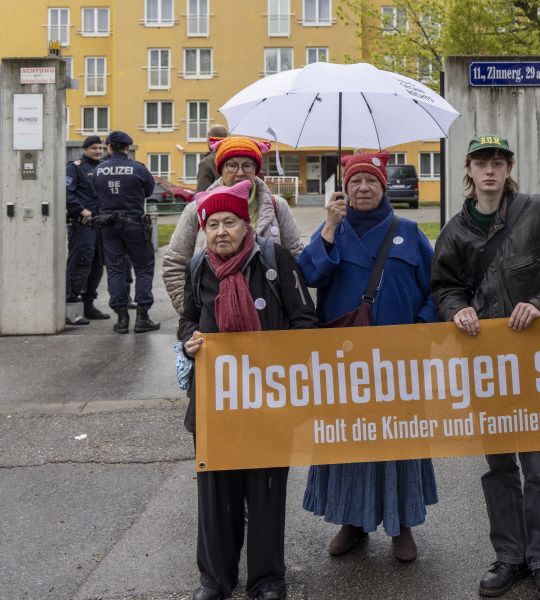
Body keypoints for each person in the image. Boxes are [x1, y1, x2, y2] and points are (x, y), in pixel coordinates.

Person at [430, 134, 540, 599]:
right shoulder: (456, 230)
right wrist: (456, 308)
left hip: (537, 365)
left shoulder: (539, 211)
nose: (490, 171)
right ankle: (509, 555)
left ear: (508, 168)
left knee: (538, 467)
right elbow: (443, 286)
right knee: (499, 466)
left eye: (499, 163)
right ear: (469, 170)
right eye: (482, 162)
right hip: (487, 368)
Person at [179, 179, 317, 600]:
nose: (221, 231)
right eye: (213, 224)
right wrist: (190, 339)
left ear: (246, 225)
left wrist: (278, 357)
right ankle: (215, 580)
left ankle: (267, 580)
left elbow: (304, 322)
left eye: (230, 223)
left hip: (267, 402)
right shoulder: (198, 267)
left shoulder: (275, 261)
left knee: (266, 494)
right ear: (204, 230)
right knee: (217, 495)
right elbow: (187, 318)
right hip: (215, 404)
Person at [299, 151, 438, 563]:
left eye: (371, 182)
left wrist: (419, 330)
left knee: (398, 442)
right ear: (345, 187)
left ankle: (402, 524)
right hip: (346, 365)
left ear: (383, 188)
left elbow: (439, 288)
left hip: (399, 364)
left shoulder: (409, 232)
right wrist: (327, 227)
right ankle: (352, 522)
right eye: (356, 181)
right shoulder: (332, 232)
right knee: (350, 442)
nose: (363, 188)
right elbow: (308, 276)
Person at [163, 136, 304, 315]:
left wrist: (286, 310)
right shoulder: (197, 209)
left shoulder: (277, 207)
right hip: (214, 316)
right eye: (232, 165)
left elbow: (295, 258)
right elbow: (174, 263)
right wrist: (193, 312)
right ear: (221, 169)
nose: (240, 172)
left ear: (256, 170)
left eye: (247, 165)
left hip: (269, 317)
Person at [93, 130, 160, 334]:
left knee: (115, 269)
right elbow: (149, 191)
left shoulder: (99, 170)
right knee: (143, 268)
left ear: (109, 147)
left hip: (108, 226)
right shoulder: (138, 169)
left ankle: (121, 319)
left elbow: (95, 191)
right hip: (135, 224)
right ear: (127, 148)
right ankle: (142, 317)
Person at [65, 135, 111, 324]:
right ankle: (69, 306)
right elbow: (66, 192)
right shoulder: (75, 167)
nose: (98, 151)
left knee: (97, 266)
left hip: (100, 224)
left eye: (100, 148)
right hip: (82, 224)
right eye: (94, 148)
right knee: (80, 264)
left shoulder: (103, 168)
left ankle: (88, 304)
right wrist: (81, 210)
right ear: (85, 149)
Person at [196, 124, 229, 192]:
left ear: (210, 139)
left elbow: (202, 192)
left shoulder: (206, 163)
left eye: (207, 138)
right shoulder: (233, 157)